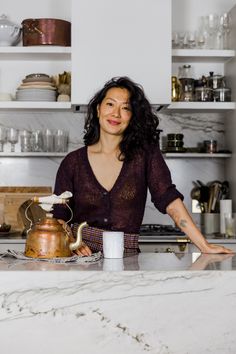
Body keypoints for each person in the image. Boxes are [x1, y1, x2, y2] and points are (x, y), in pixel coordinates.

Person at [53, 76, 233, 256]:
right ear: (98, 109)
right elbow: (59, 216)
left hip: (127, 259)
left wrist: (204, 245)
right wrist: (71, 241)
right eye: (110, 104)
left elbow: (170, 201)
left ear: (132, 117)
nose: (116, 113)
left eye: (125, 108)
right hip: (79, 258)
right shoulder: (72, 162)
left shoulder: (145, 155)